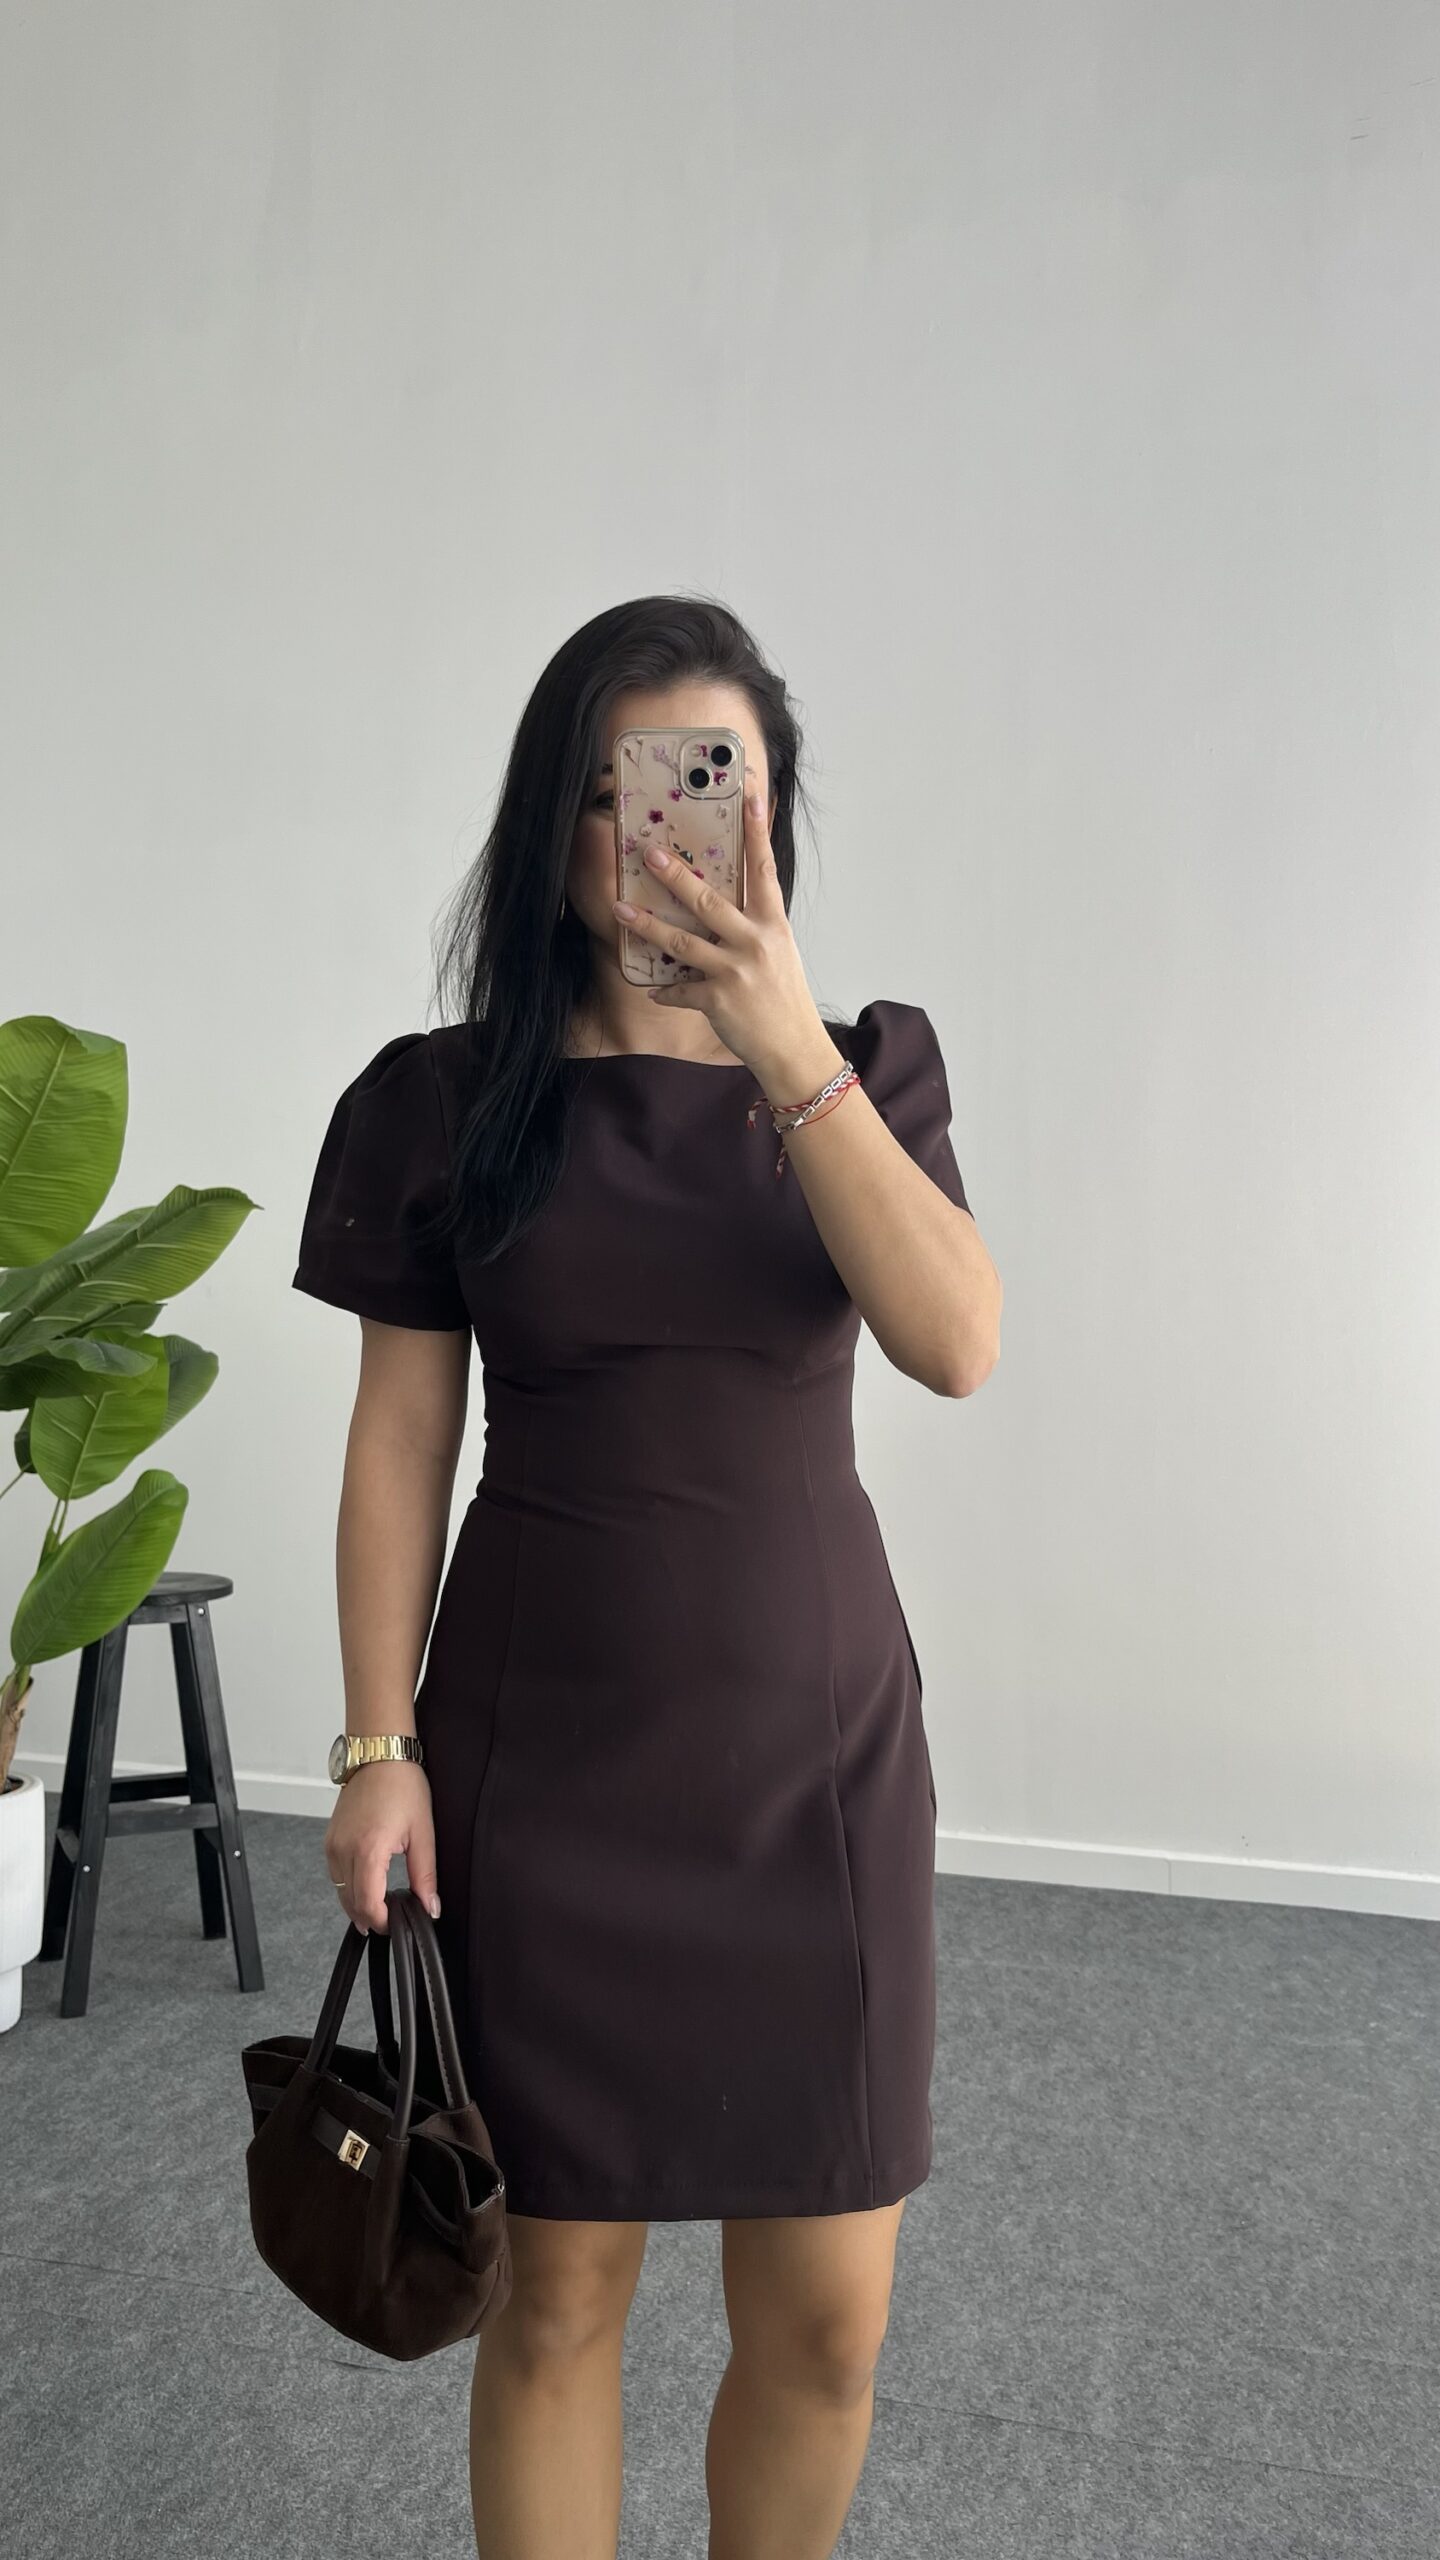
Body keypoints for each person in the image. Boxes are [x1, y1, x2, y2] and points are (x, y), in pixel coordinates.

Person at [292, 594, 1003, 2560]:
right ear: (559, 824)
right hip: (545, 1766)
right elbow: (399, 1441)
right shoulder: (446, 1100)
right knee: (555, 2299)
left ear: (772, 824)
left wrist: (781, 1043)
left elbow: (957, 1340)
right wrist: (376, 1745)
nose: (665, 839)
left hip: (817, 1770)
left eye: (715, 790)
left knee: (832, 2326)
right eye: (627, 794)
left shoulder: (864, 1070)